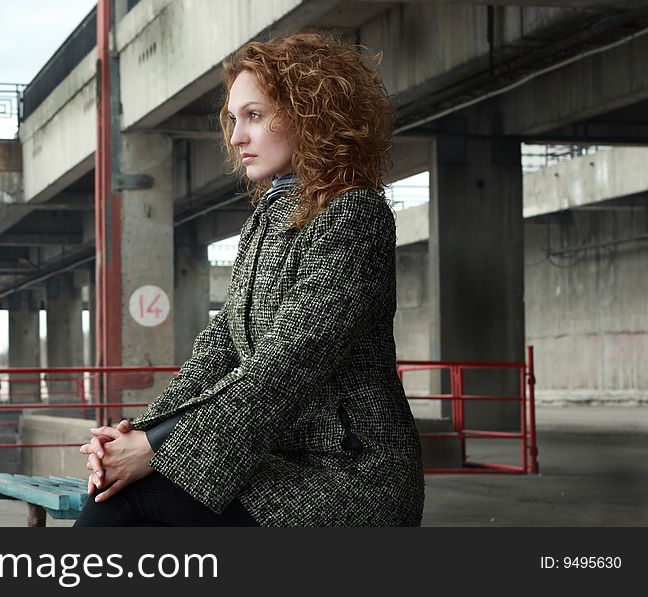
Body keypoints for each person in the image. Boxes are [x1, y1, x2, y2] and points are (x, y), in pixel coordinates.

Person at [74, 33, 424, 527]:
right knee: (116, 486)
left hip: (350, 475)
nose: (236, 136)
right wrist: (133, 436)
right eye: (234, 119)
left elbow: (286, 365)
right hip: (280, 461)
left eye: (254, 116)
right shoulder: (267, 218)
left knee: (129, 498)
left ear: (311, 114)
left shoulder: (353, 216)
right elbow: (219, 350)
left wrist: (155, 450)